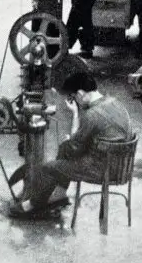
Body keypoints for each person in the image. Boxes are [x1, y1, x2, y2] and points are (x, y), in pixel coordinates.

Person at [8, 72, 133, 219]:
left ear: (80, 94)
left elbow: (74, 150)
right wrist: (74, 118)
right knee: (65, 148)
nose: (75, 101)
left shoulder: (92, 114)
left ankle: (33, 205)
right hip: (122, 167)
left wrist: (71, 131)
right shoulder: (114, 102)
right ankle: (59, 195)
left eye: (74, 97)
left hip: (102, 169)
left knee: (49, 168)